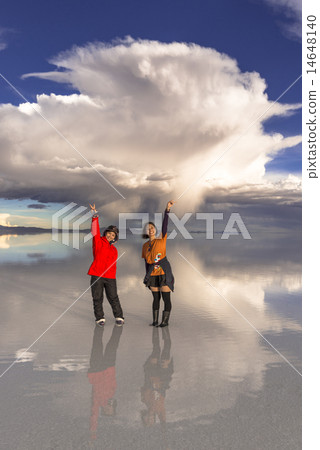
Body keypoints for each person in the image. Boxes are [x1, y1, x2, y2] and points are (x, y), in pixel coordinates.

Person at [88, 203, 124, 327]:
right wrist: (95, 216)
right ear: (106, 233)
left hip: (110, 276)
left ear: (115, 238)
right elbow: (95, 231)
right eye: (109, 233)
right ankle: (100, 318)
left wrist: (112, 276)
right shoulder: (98, 241)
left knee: (113, 297)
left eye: (113, 235)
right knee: (97, 298)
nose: (110, 235)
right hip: (97, 274)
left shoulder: (114, 250)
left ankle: (119, 316)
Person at [142, 201, 175, 327]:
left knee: (166, 298)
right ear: (146, 231)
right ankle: (155, 320)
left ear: (155, 230)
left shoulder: (161, 239)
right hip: (152, 275)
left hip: (164, 272)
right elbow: (146, 262)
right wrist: (147, 277)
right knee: (155, 298)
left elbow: (165, 225)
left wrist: (167, 210)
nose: (150, 230)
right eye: (148, 228)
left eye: (152, 227)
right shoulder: (145, 246)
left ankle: (165, 321)